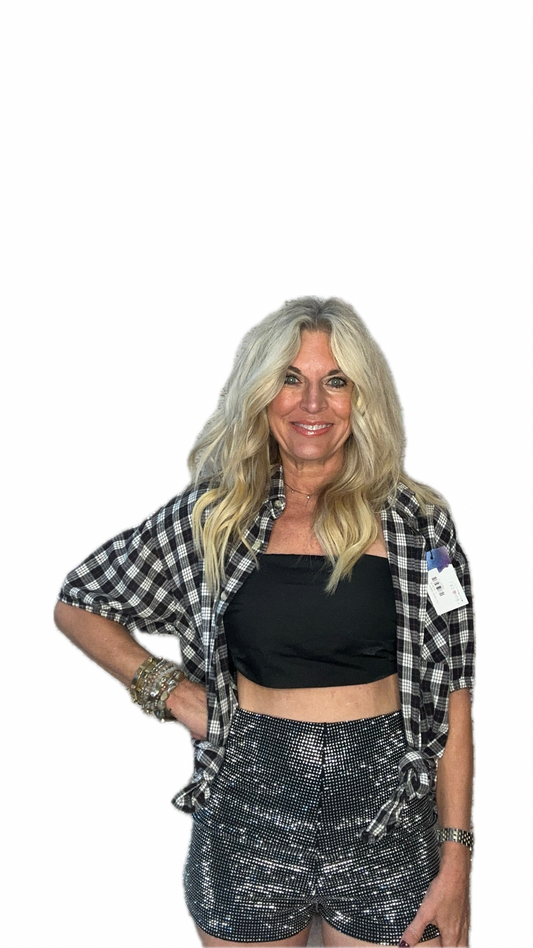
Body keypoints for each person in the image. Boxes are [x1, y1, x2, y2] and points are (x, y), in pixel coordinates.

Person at [54, 297, 474, 948]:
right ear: (262, 394)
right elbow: (79, 601)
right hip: (245, 823)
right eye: (291, 378)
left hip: (389, 826)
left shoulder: (418, 526)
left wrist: (456, 860)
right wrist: (170, 691)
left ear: (362, 397)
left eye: (336, 381)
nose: (313, 402)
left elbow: (453, 696)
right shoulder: (212, 519)